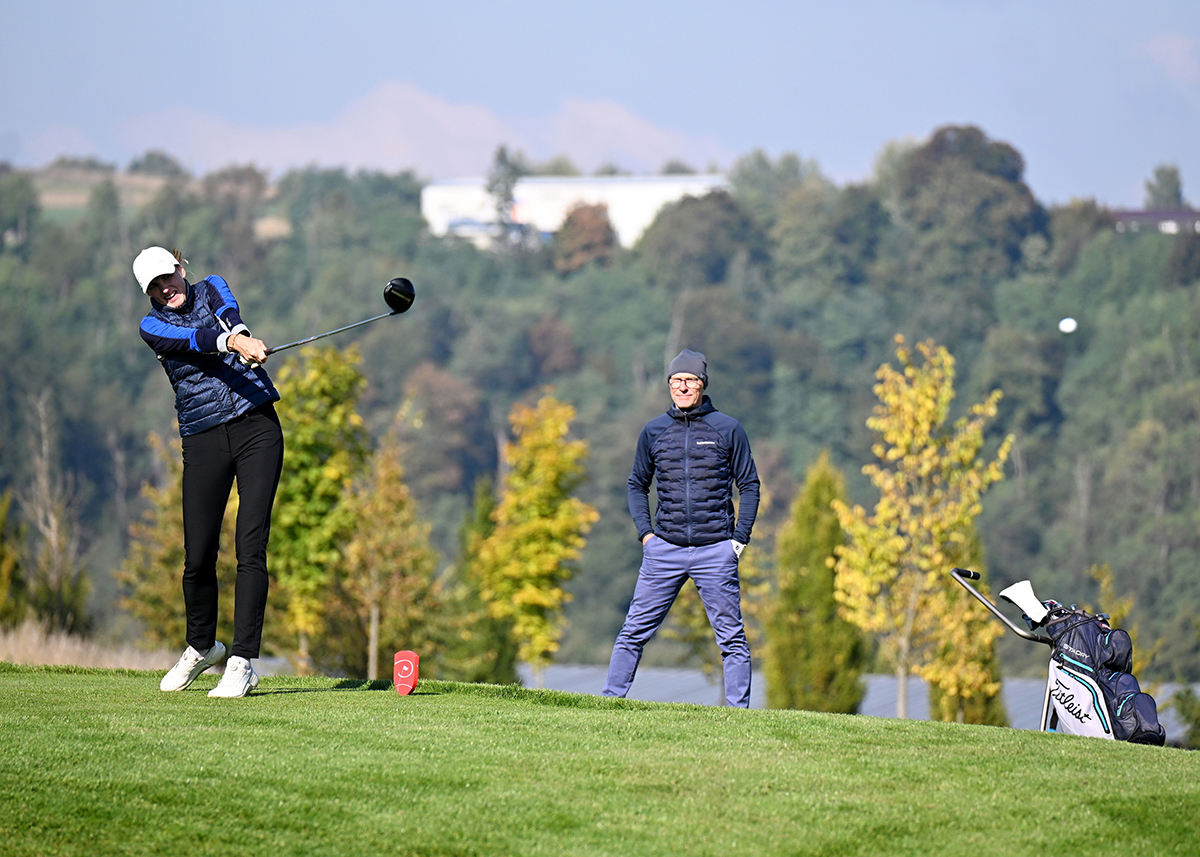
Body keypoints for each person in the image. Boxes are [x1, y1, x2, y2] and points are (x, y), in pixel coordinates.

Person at [134, 246, 284, 698]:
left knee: (250, 546)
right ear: (149, 293)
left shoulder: (212, 285)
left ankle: (242, 661)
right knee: (198, 555)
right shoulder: (152, 327)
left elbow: (227, 315)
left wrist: (241, 336)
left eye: (168, 277)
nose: (166, 288)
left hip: (256, 426)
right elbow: (196, 340)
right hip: (203, 439)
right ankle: (202, 647)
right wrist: (235, 344)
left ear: (180, 269)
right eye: (155, 286)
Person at [603, 349, 760, 707]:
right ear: (669, 385)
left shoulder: (728, 429)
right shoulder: (653, 431)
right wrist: (647, 535)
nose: (683, 387)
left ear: (702, 384)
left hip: (716, 551)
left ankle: (738, 715)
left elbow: (749, 485)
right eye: (676, 381)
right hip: (664, 550)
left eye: (690, 380)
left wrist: (738, 542)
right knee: (632, 632)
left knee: (732, 639)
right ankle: (609, 703)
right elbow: (636, 484)